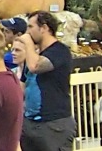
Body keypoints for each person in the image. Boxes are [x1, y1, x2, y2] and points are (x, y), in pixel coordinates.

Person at [18, 11, 75, 151]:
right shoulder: (33, 55)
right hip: (29, 123)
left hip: (54, 123)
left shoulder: (60, 51)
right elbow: (21, 87)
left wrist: (27, 43)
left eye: (30, 27)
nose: (27, 32)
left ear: (44, 28)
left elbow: (35, 66)